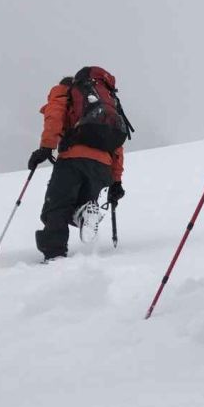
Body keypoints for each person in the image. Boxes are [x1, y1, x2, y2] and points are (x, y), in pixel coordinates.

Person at [29, 67, 126, 261]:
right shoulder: (107, 103)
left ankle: (55, 255)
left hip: (72, 159)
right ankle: (84, 213)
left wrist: (46, 147)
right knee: (81, 205)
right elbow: (117, 146)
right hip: (102, 166)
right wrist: (116, 181)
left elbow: (54, 116)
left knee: (57, 206)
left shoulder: (63, 91)